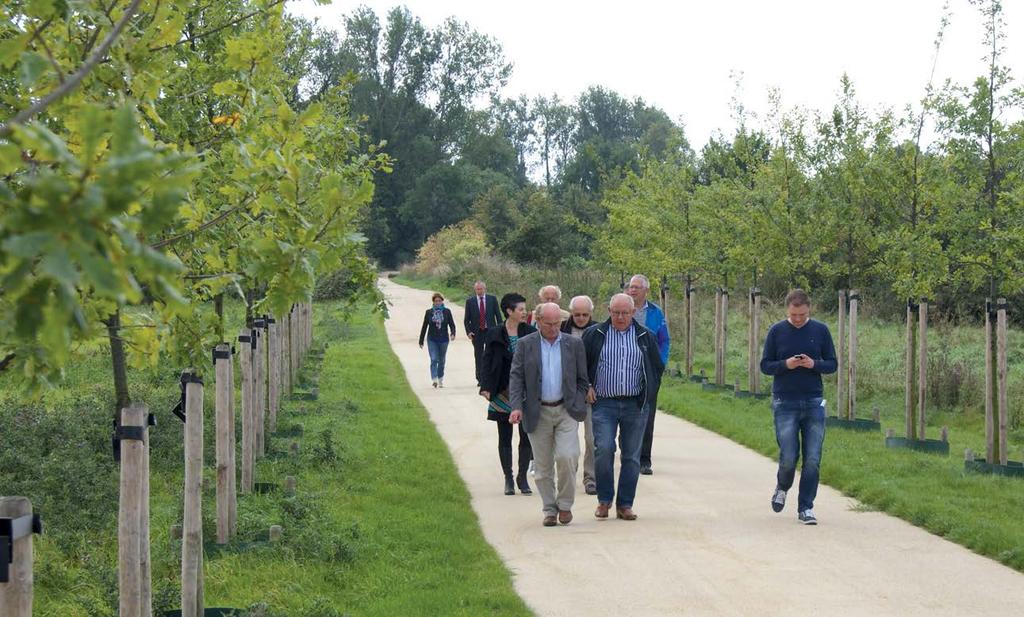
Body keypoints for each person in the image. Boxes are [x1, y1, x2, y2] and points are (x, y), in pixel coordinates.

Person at [582, 293, 664, 521]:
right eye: (616, 312)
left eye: (625, 313)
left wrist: (648, 395)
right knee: (604, 449)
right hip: (604, 403)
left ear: (633, 312)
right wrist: (586, 386)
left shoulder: (645, 337)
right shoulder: (594, 334)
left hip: (634, 404)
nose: (620, 317)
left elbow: (657, 369)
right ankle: (604, 500)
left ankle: (625, 504)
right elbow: (580, 366)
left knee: (631, 457)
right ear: (609, 311)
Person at [759, 289, 837, 525]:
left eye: (802, 315)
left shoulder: (821, 331)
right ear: (787, 311)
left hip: (814, 400)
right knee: (789, 456)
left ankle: (806, 507)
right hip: (785, 401)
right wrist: (786, 364)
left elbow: (832, 364)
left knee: (812, 458)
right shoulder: (777, 331)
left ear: (809, 310)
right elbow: (765, 365)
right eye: (794, 315)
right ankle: (782, 487)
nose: (798, 319)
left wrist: (814, 364)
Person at [509, 304, 590, 526]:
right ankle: (549, 509)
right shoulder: (526, 345)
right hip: (537, 411)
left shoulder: (574, 344)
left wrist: (578, 398)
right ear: (538, 321)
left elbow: (583, 380)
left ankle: (564, 505)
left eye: (557, 324)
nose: (554, 328)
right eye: (548, 324)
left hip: (566, 410)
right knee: (543, 467)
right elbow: (516, 378)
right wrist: (516, 406)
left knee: (567, 456)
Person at [479, 293, 535, 495]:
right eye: (520, 309)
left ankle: (522, 477)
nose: (524, 312)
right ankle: (508, 478)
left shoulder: (530, 332)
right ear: (509, 311)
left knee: (526, 436)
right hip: (501, 391)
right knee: (504, 437)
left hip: (526, 392)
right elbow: (486, 360)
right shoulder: (494, 333)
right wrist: (485, 386)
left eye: (524, 309)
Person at [626, 274, 670, 476]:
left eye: (636, 287)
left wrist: (659, 364)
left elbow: (664, 341)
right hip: (623, 367)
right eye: (630, 287)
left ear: (646, 290)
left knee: (647, 413)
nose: (632, 290)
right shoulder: (621, 308)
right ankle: (627, 450)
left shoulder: (655, 313)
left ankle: (644, 459)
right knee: (623, 411)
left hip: (648, 369)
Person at [561, 295, 598, 495]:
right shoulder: (560, 330)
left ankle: (590, 478)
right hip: (568, 393)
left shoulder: (599, 331)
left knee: (592, 439)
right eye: (577, 314)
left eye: (585, 315)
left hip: (592, 393)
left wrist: (591, 385)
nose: (581, 318)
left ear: (591, 314)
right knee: (568, 442)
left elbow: (600, 363)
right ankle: (568, 478)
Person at [464, 281, 501, 386]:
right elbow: (467, 319)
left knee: (492, 354)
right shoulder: (470, 301)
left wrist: (500, 330)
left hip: (491, 331)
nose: (479, 291)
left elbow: (498, 316)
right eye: (477, 289)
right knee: (479, 355)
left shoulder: (492, 299)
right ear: (475, 290)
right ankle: (480, 378)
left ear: (485, 289)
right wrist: (469, 331)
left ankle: (492, 377)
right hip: (477, 332)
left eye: (481, 289)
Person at [418, 292, 457, 388]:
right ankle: (434, 379)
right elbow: (424, 326)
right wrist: (421, 340)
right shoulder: (429, 312)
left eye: (439, 301)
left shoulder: (447, 312)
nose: (438, 302)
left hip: (444, 339)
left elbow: (452, 324)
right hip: (432, 339)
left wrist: (453, 333)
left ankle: (440, 379)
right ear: (433, 302)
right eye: (436, 301)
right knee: (434, 359)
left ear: (442, 301)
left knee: (442, 360)